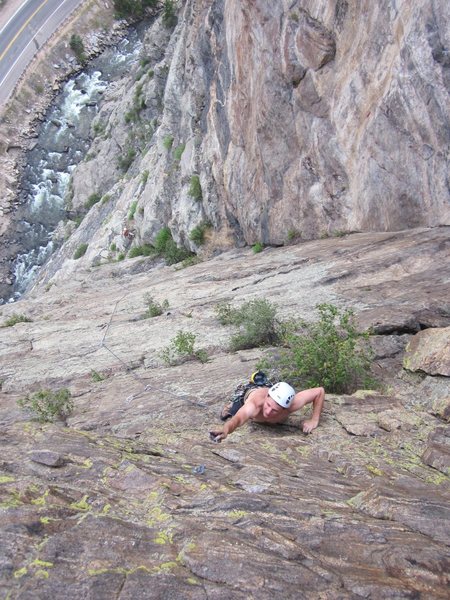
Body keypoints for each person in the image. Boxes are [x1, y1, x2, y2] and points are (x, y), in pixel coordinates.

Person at [209, 381, 324, 443]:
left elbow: (319, 391)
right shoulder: (254, 405)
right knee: (231, 412)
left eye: (274, 410)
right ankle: (231, 404)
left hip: (269, 389)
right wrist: (225, 430)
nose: (268, 412)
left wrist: (314, 420)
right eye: (268, 405)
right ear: (267, 396)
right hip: (249, 394)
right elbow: (238, 419)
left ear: (285, 409)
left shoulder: (292, 405)